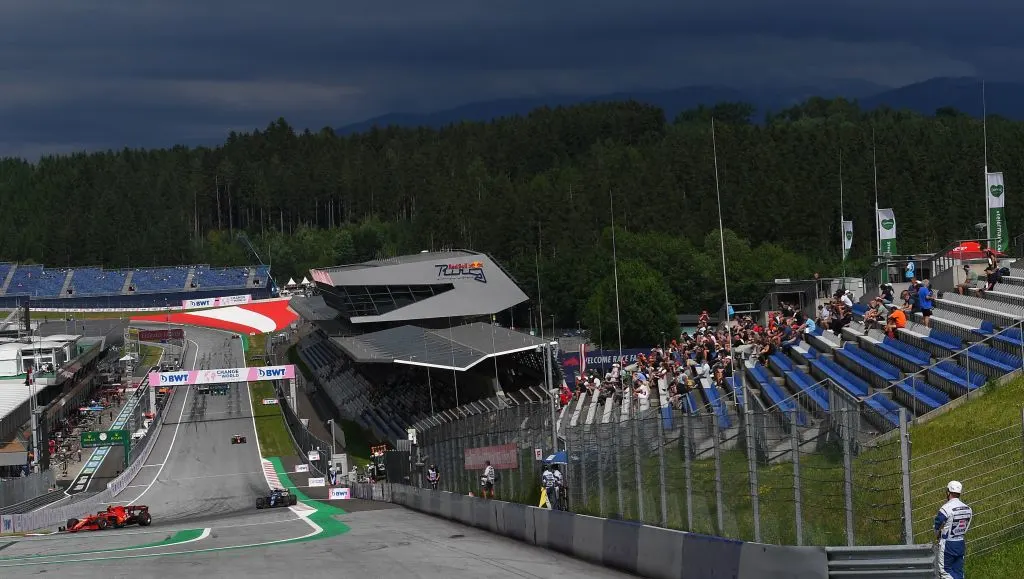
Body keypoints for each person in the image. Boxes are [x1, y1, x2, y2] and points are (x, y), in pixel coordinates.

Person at [934, 480, 973, 579]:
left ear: (948, 492)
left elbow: (937, 525)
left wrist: (937, 534)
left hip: (948, 544)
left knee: (945, 572)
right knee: (958, 571)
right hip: (960, 542)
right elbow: (966, 526)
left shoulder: (945, 508)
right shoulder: (968, 509)